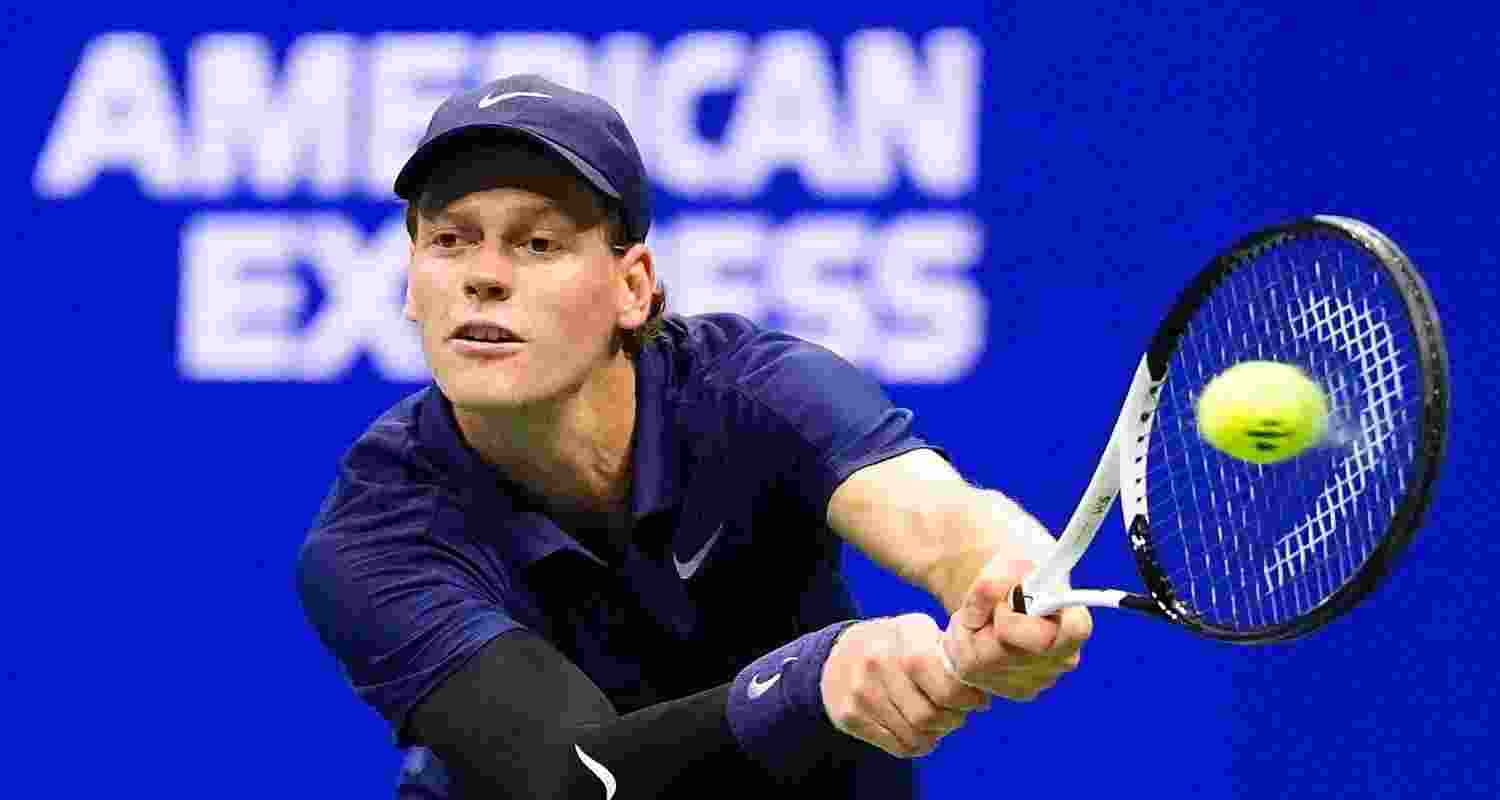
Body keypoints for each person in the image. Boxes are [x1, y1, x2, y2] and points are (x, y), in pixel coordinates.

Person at [296, 73, 1092, 799]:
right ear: (411, 283)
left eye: (537, 243)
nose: (485, 275)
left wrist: (1010, 590)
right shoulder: (374, 533)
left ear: (633, 287)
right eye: (450, 239)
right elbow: (575, 779)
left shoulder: (757, 389)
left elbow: (940, 521)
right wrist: (811, 680)